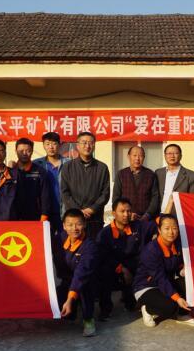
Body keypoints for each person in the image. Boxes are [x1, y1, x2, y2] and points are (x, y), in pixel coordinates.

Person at [133, 214, 194, 328]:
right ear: (159, 230)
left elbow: (176, 266)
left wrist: (182, 271)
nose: (171, 232)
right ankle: (147, 308)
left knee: (190, 284)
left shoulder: (178, 245)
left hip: (166, 283)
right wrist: (177, 298)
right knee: (170, 307)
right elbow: (160, 278)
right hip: (147, 286)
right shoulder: (151, 250)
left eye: (174, 228)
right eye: (167, 228)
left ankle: (182, 314)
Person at [96, 198, 157, 320]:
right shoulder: (105, 234)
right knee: (103, 272)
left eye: (129, 211)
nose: (126, 214)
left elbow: (158, 224)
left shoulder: (138, 226)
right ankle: (106, 309)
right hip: (115, 268)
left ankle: (133, 301)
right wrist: (121, 269)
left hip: (134, 268)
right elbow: (103, 256)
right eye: (122, 211)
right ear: (114, 213)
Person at [54, 209, 99, 337]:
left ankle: (88, 319)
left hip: (85, 281)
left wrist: (70, 299)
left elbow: (81, 273)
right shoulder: (58, 239)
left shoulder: (90, 246)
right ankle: (72, 308)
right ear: (64, 226)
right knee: (59, 307)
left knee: (84, 291)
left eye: (78, 224)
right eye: (70, 225)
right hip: (67, 281)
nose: (74, 228)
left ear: (84, 224)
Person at [60, 132, 110, 238]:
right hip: (74, 220)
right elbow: (65, 192)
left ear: (94, 145)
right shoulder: (68, 167)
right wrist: (78, 211)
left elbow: (105, 194)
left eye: (91, 143)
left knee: (94, 246)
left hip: (95, 219)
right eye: (84, 142)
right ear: (77, 146)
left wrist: (92, 209)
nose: (87, 146)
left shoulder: (102, 168)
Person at [33, 132, 71, 233]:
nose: (51, 147)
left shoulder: (69, 163)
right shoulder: (37, 164)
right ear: (43, 145)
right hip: (44, 211)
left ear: (59, 145)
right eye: (47, 144)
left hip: (65, 209)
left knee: (65, 238)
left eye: (54, 144)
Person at [112, 145, 160, 222]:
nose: (137, 158)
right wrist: (126, 214)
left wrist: (147, 215)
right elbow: (116, 197)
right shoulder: (121, 174)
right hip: (125, 218)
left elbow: (155, 198)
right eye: (134, 155)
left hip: (146, 219)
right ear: (128, 156)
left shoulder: (151, 175)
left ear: (144, 158)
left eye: (140, 156)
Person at [14, 138, 52, 222]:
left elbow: (45, 196)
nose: (24, 153)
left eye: (28, 151)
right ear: (15, 151)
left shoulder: (40, 171)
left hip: (35, 217)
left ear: (32, 151)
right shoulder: (10, 171)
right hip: (13, 218)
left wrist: (44, 217)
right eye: (21, 151)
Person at [155, 144, 194, 214]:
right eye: (169, 153)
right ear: (165, 156)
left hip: (179, 215)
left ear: (181, 156)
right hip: (159, 215)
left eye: (175, 153)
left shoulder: (192, 176)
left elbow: (193, 201)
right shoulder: (158, 173)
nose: (172, 156)